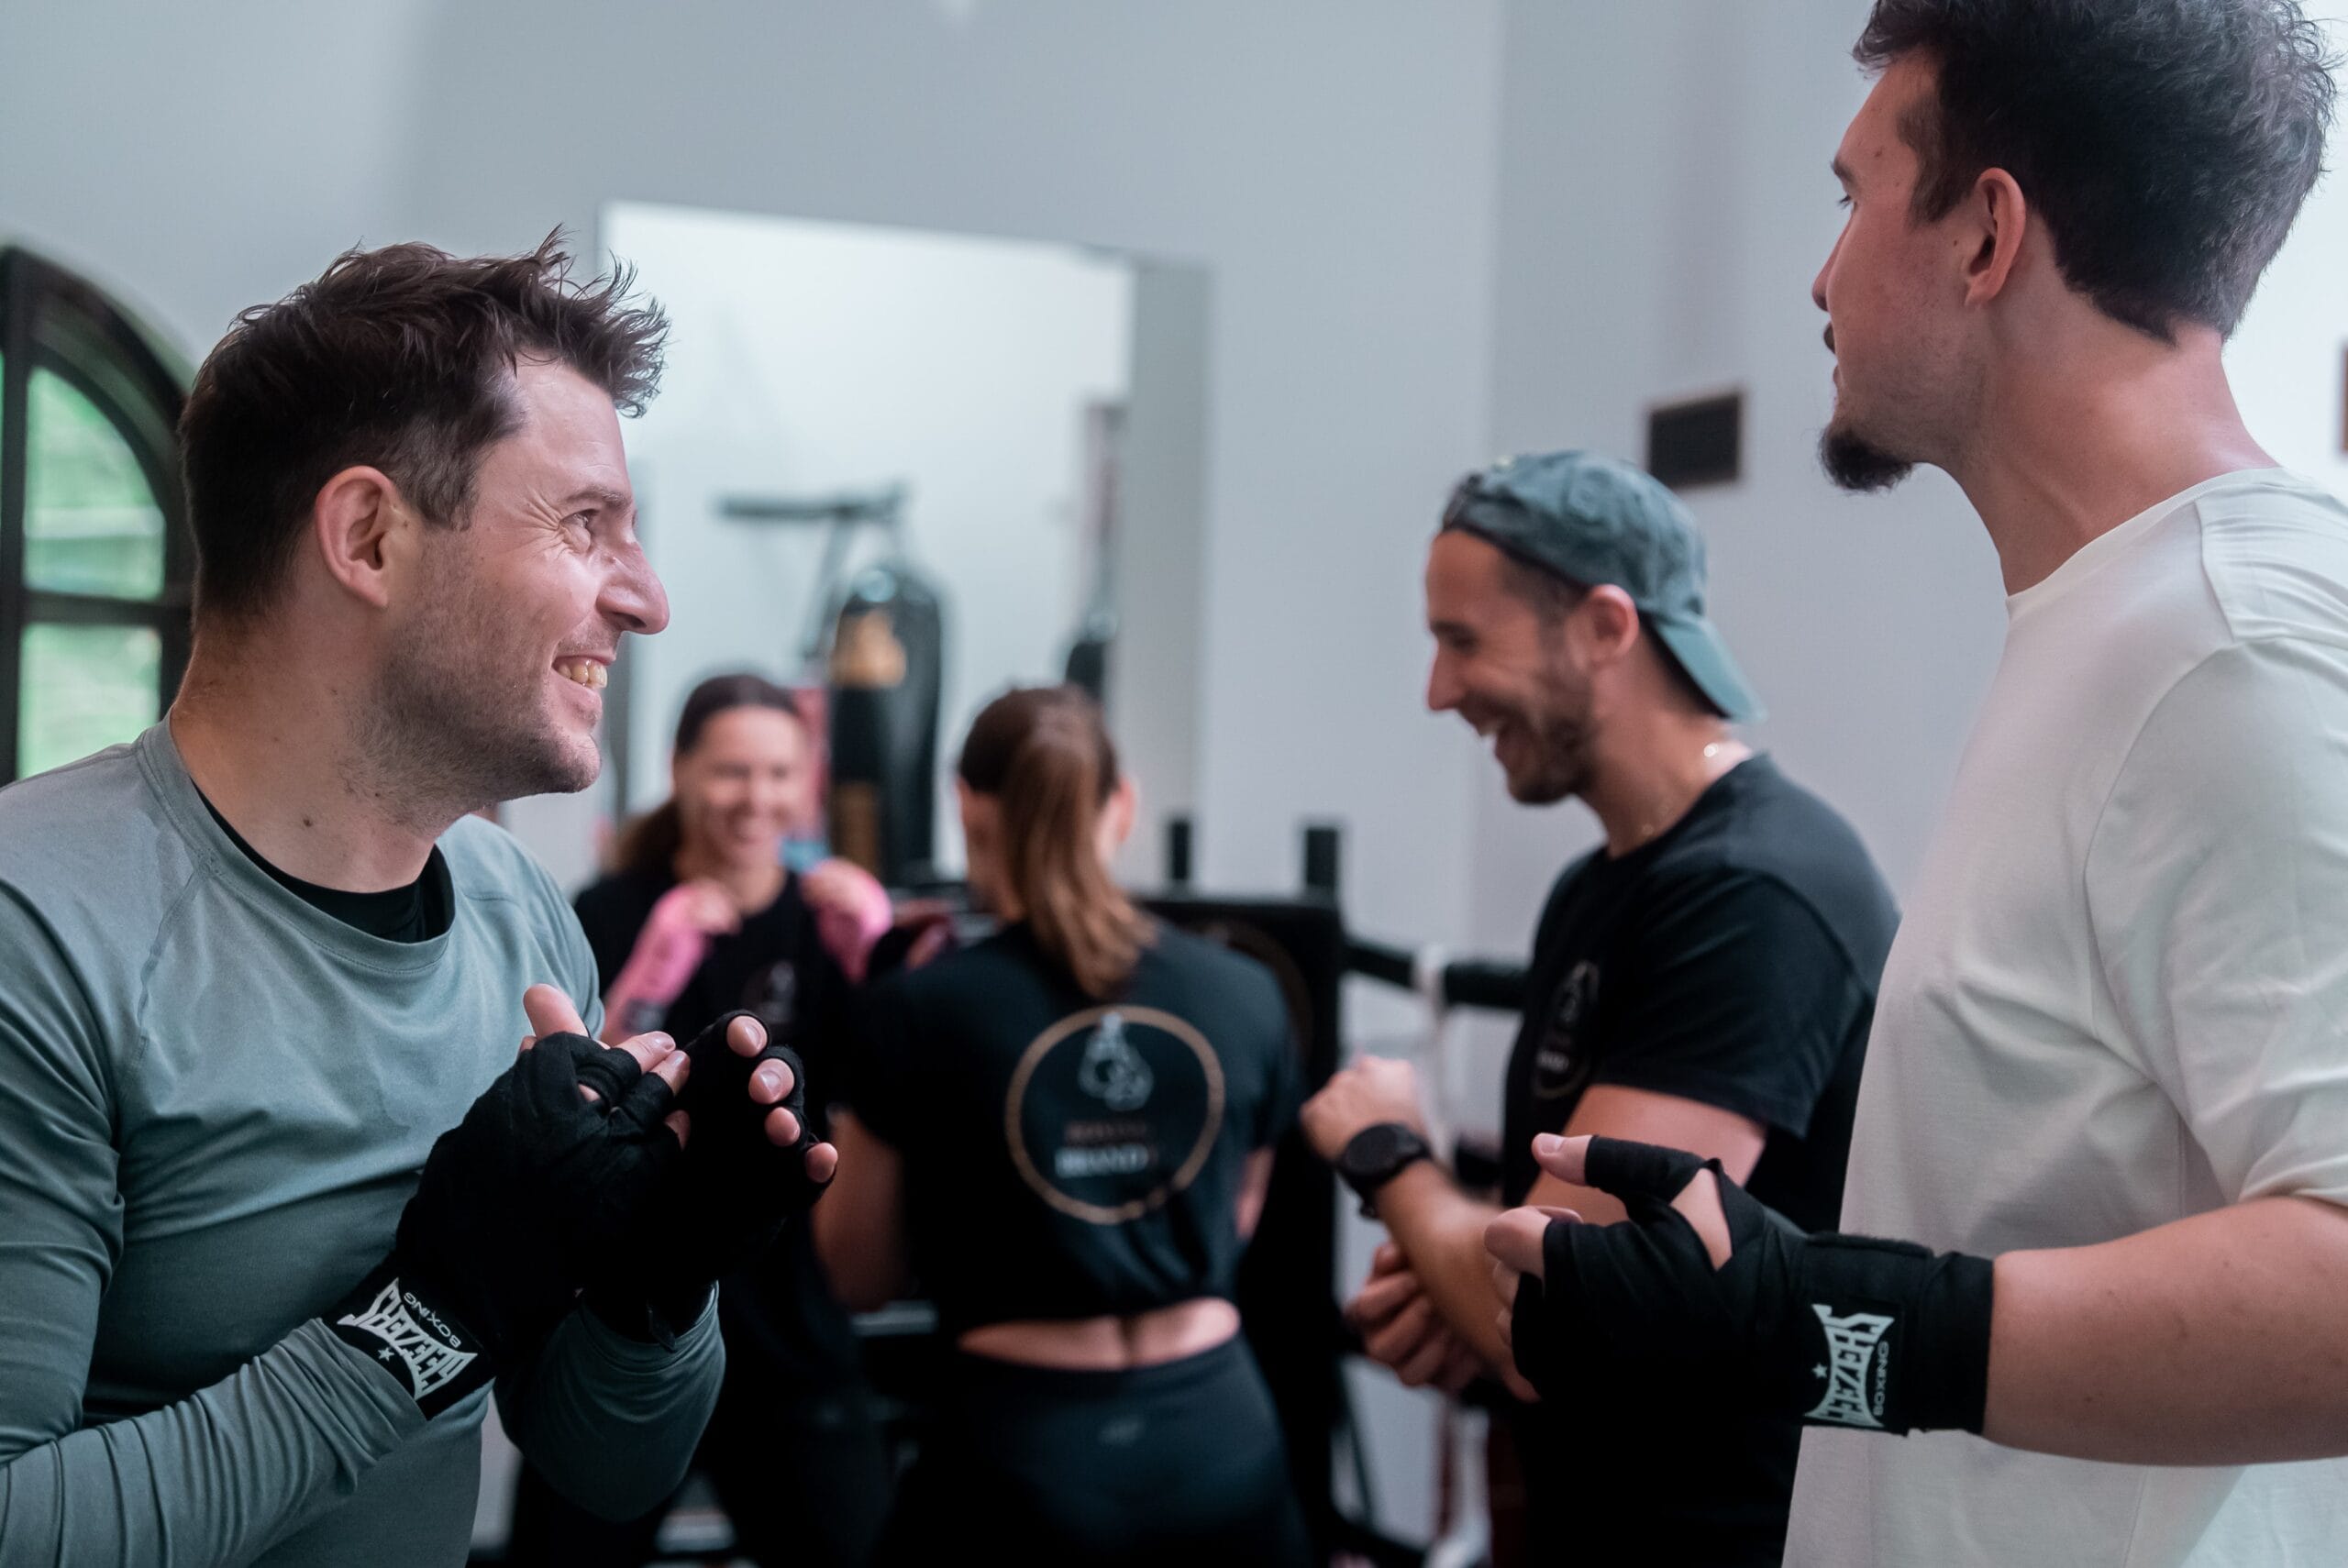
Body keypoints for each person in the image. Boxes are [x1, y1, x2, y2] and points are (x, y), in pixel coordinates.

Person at [1484, 6, 2348, 1566]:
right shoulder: (2123, 627)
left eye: (1853, 196)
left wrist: (1825, 1321)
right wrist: (1769, 1287)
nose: (1820, 278)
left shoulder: (2236, 650)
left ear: (1987, 236)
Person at [0, 237, 834, 1566]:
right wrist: (429, 1312)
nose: (649, 599)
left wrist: (659, 1283)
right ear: (371, 537)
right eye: (585, 524)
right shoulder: (33, 926)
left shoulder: (520, 917)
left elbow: (603, 1464)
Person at [1299, 451, 1896, 1565]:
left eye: (1463, 641)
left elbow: (1554, 1316)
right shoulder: (1602, 885)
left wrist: (1389, 1155)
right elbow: (1555, 1250)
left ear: (1605, 627)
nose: (1438, 691)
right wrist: (1453, 1283)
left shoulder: (1755, 894)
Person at [814, 686, 1311, 1566]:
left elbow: (859, 1275)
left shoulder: (915, 1009)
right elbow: (1230, 1224)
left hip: (1024, 1448)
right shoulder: (1248, 993)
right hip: (1223, 1433)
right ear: (1124, 804)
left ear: (965, 806)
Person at [505, 671, 893, 1566]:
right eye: (730, 771)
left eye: (777, 773)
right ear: (680, 769)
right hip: (631, 1299)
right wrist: (648, 979)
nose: (756, 798)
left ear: (806, 781)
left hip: (788, 1313)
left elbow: (884, 1100)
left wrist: (877, 965)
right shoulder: (612, 910)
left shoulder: (822, 918)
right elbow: (571, 1107)